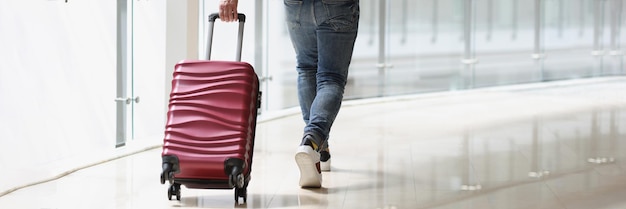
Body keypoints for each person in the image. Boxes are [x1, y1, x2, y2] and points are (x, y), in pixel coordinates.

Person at [219, 0, 359, 188]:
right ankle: (312, 141)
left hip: (297, 4)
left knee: (307, 68)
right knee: (331, 78)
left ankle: (320, 149)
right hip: (337, 5)